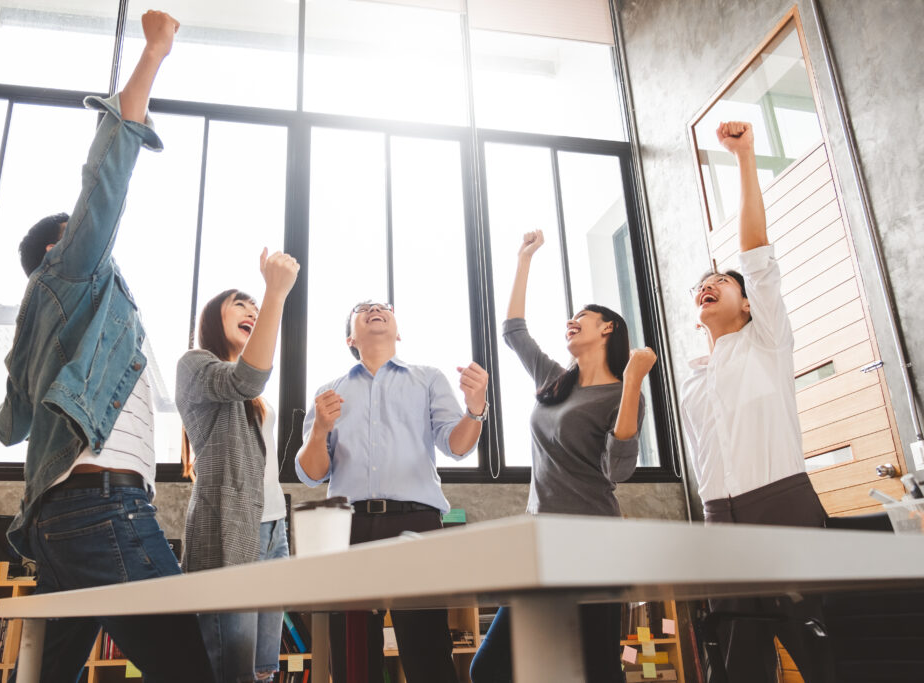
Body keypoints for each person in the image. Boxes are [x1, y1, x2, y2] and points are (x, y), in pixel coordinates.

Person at [0, 10, 214, 683]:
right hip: (104, 509)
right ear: (59, 246)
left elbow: (12, 422)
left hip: (60, 521)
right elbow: (105, 180)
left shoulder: (53, 319)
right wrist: (152, 55)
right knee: (192, 672)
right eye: (83, 233)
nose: (101, 240)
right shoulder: (73, 271)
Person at [680, 121, 833, 683]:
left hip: (784, 510)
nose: (709, 283)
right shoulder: (691, 377)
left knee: (822, 660)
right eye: (702, 282)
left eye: (723, 280)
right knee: (737, 670)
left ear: (748, 304)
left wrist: (744, 157)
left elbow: (756, 253)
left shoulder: (767, 342)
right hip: (720, 524)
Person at [470, 230, 657, 683]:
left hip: (594, 541)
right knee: (490, 668)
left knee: (595, 668)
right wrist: (523, 260)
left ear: (607, 327)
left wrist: (633, 381)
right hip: (541, 540)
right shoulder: (555, 381)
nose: (571, 322)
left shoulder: (620, 393)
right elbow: (514, 332)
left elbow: (618, 469)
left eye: (582, 317)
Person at [296, 301, 489, 683]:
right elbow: (311, 474)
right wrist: (319, 429)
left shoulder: (429, 378)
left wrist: (475, 408)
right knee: (353, 659)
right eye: (362, 308)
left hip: (416, 524)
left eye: (383, 307)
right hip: (348, 531)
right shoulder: (328, 393)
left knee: (428, 654)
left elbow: (457, 446)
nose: (374, 309)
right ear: (350, 337)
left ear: (397, 331)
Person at [176, 248, 299, 683]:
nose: (252, 309)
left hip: (274, 528)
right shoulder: (194, 365)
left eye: (254, 304)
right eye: (240, 304)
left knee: (264, 666)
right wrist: (275, 294)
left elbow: (249, 382)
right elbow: (246, 377)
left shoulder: (254, 398)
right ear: (214, 319)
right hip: (227, 525)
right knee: (230, 669)